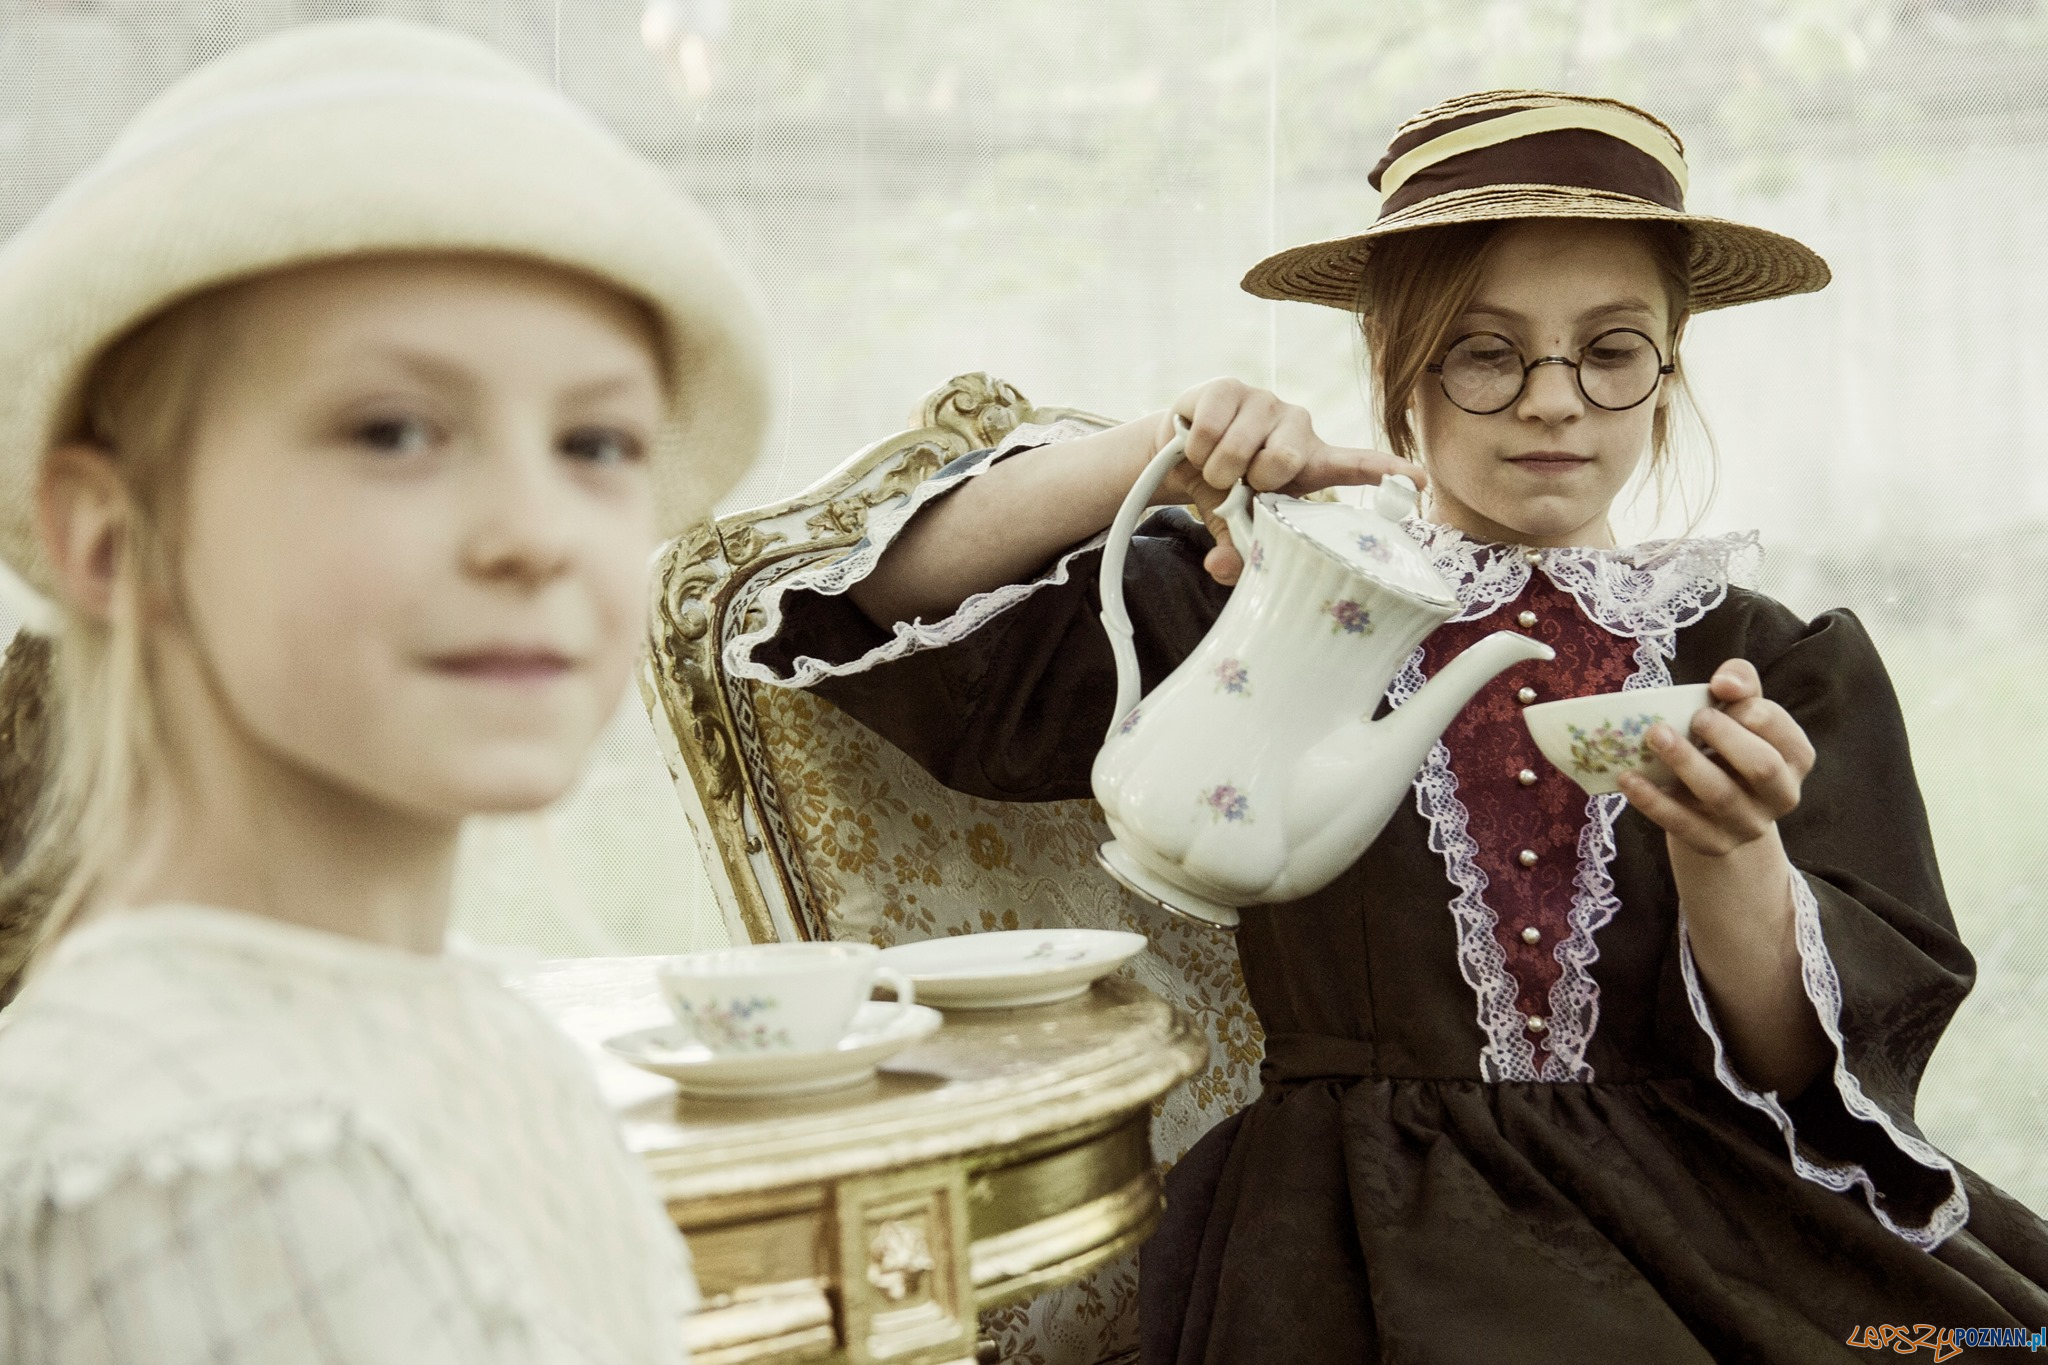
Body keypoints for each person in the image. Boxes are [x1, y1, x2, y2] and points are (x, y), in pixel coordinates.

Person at [730, 91, 2048, 1361]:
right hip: (1357, 1226)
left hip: (1719, 1207)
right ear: (1395, 371)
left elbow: (1812, 1072)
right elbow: (856, 604)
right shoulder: (1273, 591)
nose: (1552, 398)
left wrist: (1730, 854)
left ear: (1665, 371)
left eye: (1609, 349)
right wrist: (1159, 450)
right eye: (1487, 350)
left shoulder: (1763, 661)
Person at [0, 20, 770, 1363]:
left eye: (595, 441)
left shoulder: (486, 1037)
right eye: (395, 431)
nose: (531, 531)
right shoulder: (180, 1147)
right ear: (114, 540)